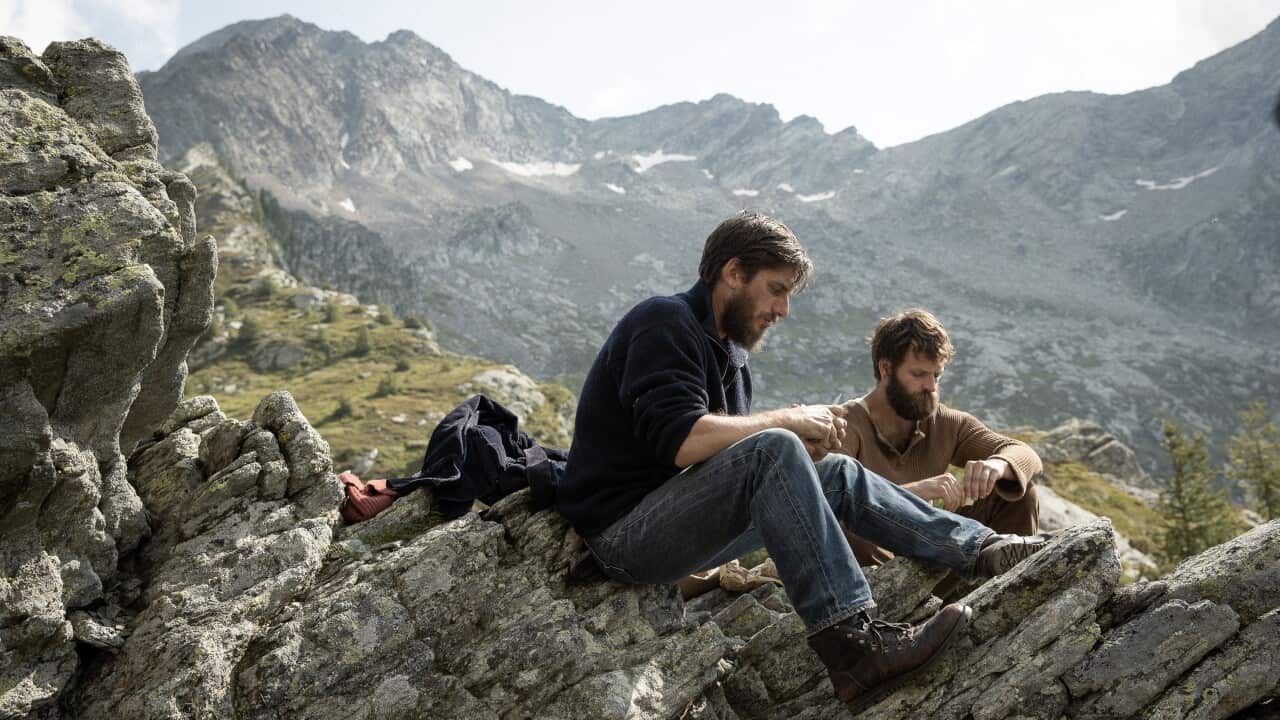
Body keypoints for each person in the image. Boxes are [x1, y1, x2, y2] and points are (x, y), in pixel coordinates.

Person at [556, 211, 1049, 713]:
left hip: (671, 523)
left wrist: (799, 460)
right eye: (775, 289)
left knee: (833, 473)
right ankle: (855, 647)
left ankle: (983, 549)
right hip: (623, 536)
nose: (783, 309)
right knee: (776, 447)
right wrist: (785, 428)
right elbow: (680, 440)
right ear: (732, 273)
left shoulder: (731, 359)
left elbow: (715, 468)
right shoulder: (664, 322)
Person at [837, 309, 1043, 583]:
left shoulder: (945, 422)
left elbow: (1025, 454)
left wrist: (996, 465)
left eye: (937, 375)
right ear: (885, 369)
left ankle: (1014, 596)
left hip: (932, 568)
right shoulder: (844, 425)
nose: (931, 386)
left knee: (1020, 492)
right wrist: (913, 495)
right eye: (919, 374)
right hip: (866, 579)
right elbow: (827, 506)